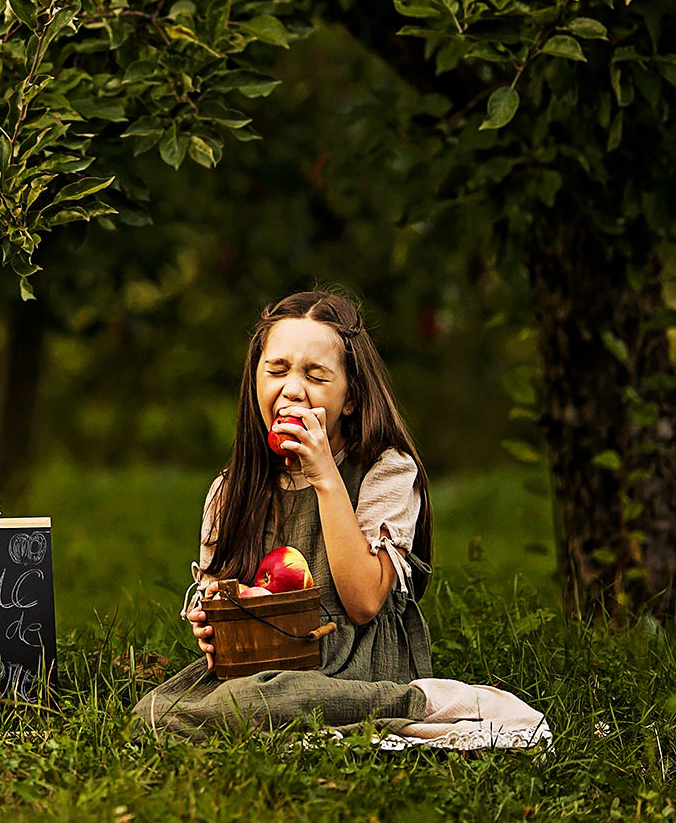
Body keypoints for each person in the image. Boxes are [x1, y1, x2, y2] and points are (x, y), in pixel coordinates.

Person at [134, 289, 547, 748]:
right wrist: (213, 624)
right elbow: (223, 598)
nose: (292, 388)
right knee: (155, 712)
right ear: (255, 382)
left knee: (272, 702)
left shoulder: (385, 472)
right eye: (277, 370)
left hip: (356, 663)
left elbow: (364, 602)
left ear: (349, 399)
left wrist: (325, 478)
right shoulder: (232, 491)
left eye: (315, 375)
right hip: (264, 669)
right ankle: (272, 717)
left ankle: (417, 703)